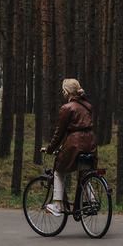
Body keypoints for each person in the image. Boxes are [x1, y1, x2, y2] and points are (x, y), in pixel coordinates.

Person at [41, 78, 98, 216]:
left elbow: (59, 133)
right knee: (85, 173)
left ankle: (57, 205)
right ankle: (92, 201)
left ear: (67, 92)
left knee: (58, 171)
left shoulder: (67, 108)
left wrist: (49, 149)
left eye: (63, 90)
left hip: (75, 145)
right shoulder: (87, 106)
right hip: (90, 143)